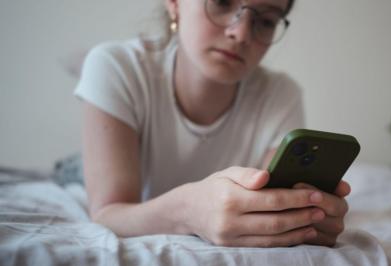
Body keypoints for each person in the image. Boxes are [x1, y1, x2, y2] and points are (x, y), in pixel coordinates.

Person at [75, 0, 350, 248]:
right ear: (174, 4)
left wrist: (305, 216)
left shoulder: (281, 95)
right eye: (221, 2)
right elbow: (107, 214)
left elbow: (272, 206)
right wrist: (187, 211)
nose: (240, 34)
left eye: (266, 21)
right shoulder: (116, 67)